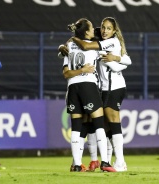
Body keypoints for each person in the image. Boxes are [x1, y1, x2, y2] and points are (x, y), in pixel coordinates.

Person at [66, 17, 131, 172]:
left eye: (109, 28)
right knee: (100, 125)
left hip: (114, 87)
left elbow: (127, 60)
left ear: (114, 30)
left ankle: (118, 162)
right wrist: (65, 44)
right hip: (101, 89)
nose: (105, 30)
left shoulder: (112, 41)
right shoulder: (97, 40)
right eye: (103, 27)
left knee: (110, 122)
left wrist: (115, 59)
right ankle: (98, 161)